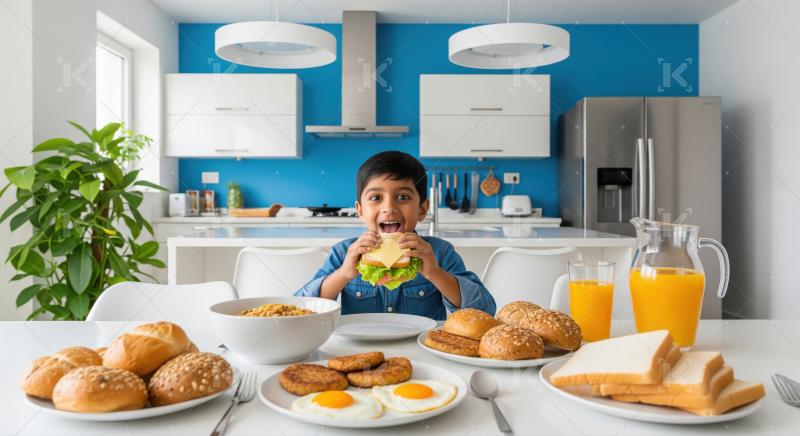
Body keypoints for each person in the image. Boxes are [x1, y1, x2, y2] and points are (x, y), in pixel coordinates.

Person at [295, 151, 496, 320]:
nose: (389, 207)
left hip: (423, 350)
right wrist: (344, 274)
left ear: (422, 209)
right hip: (359, 351)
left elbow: (484, 311)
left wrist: (434, 273)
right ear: (360, 210)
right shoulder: (344, 253)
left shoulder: (439, 252)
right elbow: (301, 308)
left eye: (403, 197)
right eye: (375, 198)